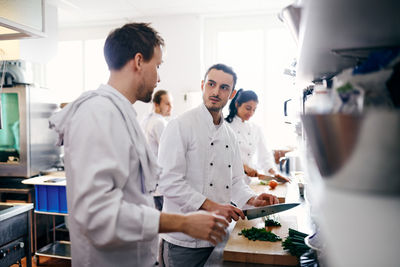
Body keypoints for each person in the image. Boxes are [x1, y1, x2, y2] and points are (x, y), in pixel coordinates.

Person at [48, 23, 228, 267]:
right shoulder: (98, 114)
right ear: (139, 61)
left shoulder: (121, 113)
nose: (159, 77)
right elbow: (97, 214)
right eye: (158, 65)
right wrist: (182, 222)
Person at [157, 63, 279, 267]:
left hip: (218, 236)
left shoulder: (229, 135)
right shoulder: (179, 125)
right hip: (184, 241)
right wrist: (212, 206)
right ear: (203, 85)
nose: (216, 91)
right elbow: (168, 182)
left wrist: (253, 199)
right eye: (211, 84)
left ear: (232, 94)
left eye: (224, 87)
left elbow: (236, 182)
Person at [225, 89, 290, 183]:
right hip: (228, 181)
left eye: (254, 110)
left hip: (248, 182)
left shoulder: (256, 128)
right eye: (248, 108)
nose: (251, 113)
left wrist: (274, 173)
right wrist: (243, 167)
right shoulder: (225, 126)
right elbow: (223, 155)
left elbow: (265, 155)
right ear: (237, 104)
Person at [141, 89, 172, 210]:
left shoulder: (145, 120)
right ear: (156, 104)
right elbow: (169, 152)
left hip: (148, 182)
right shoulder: (159, 123)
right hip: (158, 183)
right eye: (167, 103)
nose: (171, 107)